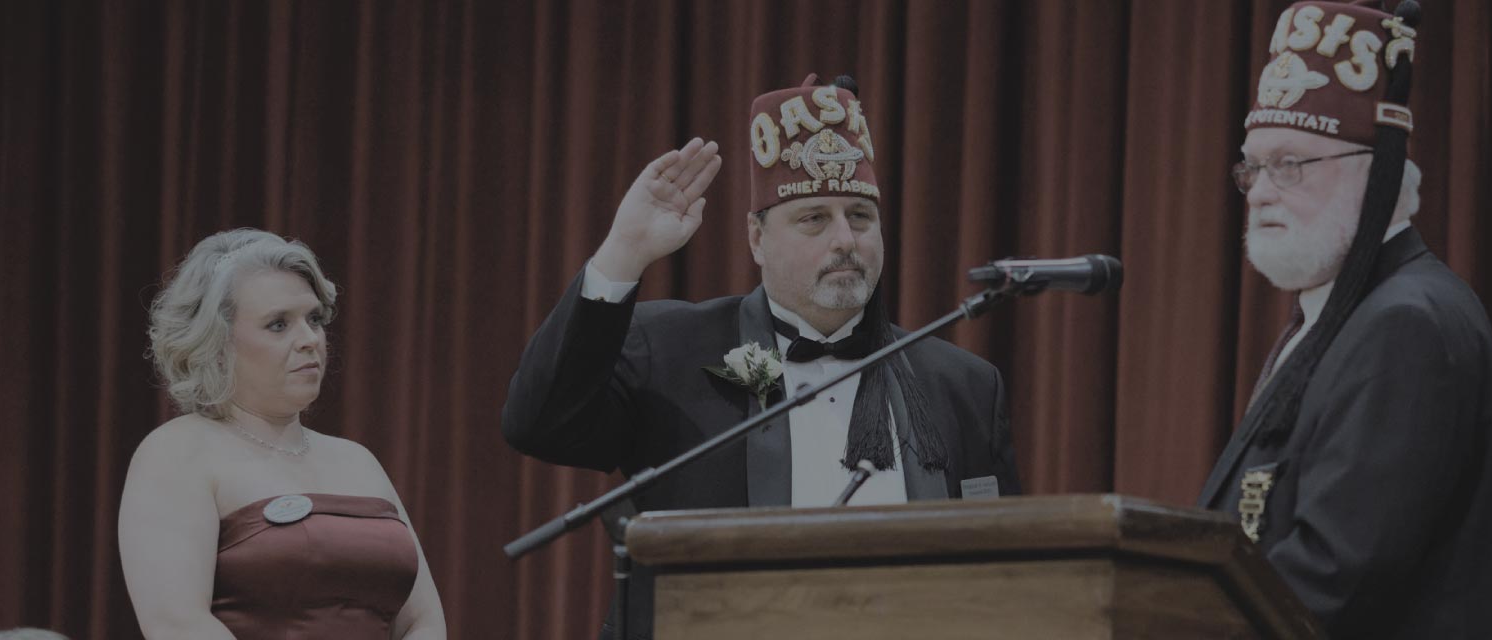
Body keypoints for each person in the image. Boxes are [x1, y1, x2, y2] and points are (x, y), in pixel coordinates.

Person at [502, 74, 1020, 638]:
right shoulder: (670, 349)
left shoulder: (963, 385)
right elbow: (539, 424)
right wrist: (623, 252)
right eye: (814, 218)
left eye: (860, 216)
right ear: (756, 238)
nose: (845, 239)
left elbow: (1004, 571)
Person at [1194, 2, 1492, 638]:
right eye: (1252, 167)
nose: (1261, 191)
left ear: (1377, 175)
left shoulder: (1406, 326)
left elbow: (1335, 575)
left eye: (1290, 165)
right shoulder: (1344, 316)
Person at [118, 229, 445, 639]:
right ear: (217, 344)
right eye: (278, 325)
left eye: (314, 320)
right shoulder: (177, 451)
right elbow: (177, 623)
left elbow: (422, 621)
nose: (310, 340)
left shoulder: (358, 460)